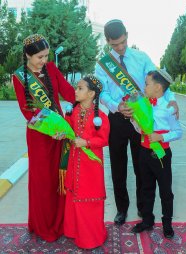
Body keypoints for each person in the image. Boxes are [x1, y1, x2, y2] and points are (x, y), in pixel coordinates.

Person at [95, 19, 179, 225]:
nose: (121, 47)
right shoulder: (103, 65)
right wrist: (116, 106)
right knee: (118, 166)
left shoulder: (141, 58)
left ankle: (144, 208)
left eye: (123, 42)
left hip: (141, 119)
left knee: (142, 166)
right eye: (115, 45)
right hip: (117, 119)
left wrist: (173, 100)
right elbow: (103, 92)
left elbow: (160, 80)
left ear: (127, 35)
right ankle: (121, 209)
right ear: (107, 42)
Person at [13, 34, 75, 242]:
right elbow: (27, 112)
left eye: (46, 56)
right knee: (42, 181)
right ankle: (43, 225)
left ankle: (60, 223)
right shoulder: (19, 76)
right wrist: (50, 129)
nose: (44, 60)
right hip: (40, 135)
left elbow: (68, 92)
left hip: (59, 134)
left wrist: (87, 97)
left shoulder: (52, 69)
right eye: (39, 57)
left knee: (60, 178)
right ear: (28, 56)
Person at [131, 69, 182, 239]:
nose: (144, 86)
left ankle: (167, 224)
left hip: (161, 154)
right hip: (144, 151)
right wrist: (136, 122)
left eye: (147, 84)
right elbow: (139, 129)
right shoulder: (143, 104)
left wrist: (161, 136)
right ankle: (147, 220)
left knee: (165, 190)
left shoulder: (168, 108)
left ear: (158, 87)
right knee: (146, 187)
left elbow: (178, 132)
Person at [61, 75, 110, 249]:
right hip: (75, 162)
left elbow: (104, 140)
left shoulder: (102, 117)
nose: (75, 91)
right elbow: (67, 129)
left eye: (80, 88)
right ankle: (75, 231)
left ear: (91, 94)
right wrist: (60, 133)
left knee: (90, 198)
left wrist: (87, 142)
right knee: (74, 195)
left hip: (92, 167)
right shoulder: (72, 111)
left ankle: (91, 237)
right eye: (76, 87)